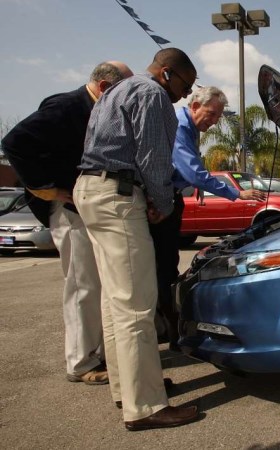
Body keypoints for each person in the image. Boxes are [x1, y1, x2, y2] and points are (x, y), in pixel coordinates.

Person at [74, 48, 199, 431]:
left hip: (90, 191)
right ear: (166, 73)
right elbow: (154, 154)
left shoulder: (117, 90)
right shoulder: (152, 94)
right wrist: (161, 202)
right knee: (136, 307)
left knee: (115, 303)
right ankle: (145, 406)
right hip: (118, 196)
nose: (184, 96)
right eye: (184, 85)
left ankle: (125, 389)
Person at [1, 61, 133, 386]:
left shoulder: (95, 109)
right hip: (69, 209)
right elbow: (15, 143)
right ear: (104, 87)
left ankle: (97, 352)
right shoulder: (66, 106)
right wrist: (49, 190)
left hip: (89, 207)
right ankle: (81, 362)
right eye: (123, 92)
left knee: (97, 283)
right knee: (82, 284)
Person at [151, 86, 264, 351]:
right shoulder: (180, 127)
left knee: (165, 267)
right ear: (194, 106)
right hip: (161, 203)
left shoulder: (189, 129)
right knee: (162, 270)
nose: (213, 121)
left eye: (217, 117)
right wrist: (236, 193)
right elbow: (193, 173)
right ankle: (170, 334)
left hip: (169, 199)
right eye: (211, 114)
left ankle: (166, 330)